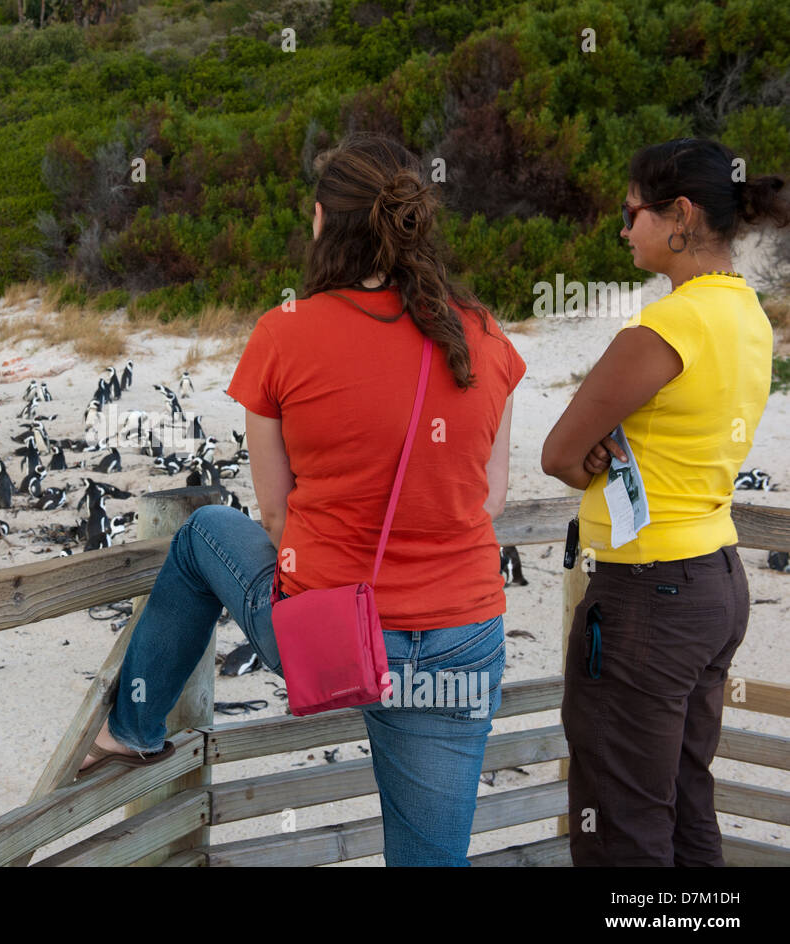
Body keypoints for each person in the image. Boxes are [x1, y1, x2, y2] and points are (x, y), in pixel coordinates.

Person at [75, 132, 528, 866]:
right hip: (461, 637)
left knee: (202, 536)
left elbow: (276, 515)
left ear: (322, 223)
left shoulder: (284, 334)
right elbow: (493, 498)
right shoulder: (478, 334)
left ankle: (133, 725)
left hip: (334, 634)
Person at [542, 137, 788, 865]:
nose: (624, 230)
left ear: (679, 216)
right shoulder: (747, 313)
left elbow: (559, 453)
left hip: (648, 594)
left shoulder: (667, 326)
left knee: (623, 822)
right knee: (683, 804)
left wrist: (590, 452)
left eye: (633, 214)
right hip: (716, 578)